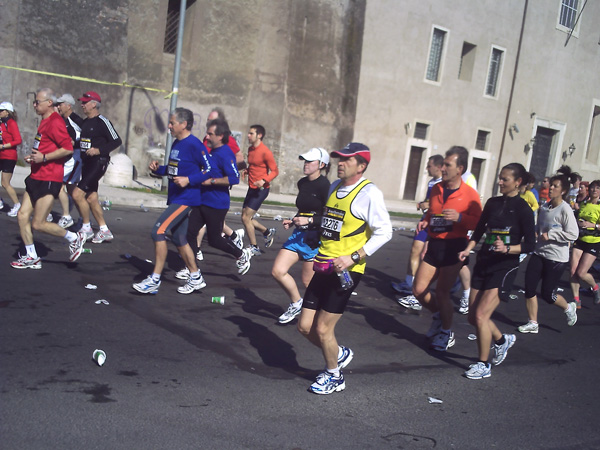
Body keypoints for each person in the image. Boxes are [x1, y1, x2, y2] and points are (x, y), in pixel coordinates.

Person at [297, 143, 392, 395]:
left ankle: (334, 375)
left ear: (361, 166)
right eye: (340, 158)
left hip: (347, 270)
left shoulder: (369, 193)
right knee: (304, 326)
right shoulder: (334, 187)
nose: (340, 162)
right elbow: (331, 224)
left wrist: (353, 257)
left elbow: (385, 232)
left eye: (347, 160)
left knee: (323, 328)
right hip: (323, 264)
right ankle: (339, 353)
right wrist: (309, 226)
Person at [458, 163, 535, 379]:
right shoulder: (492, 203)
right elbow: (479, 230)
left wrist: (508, 248)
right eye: (499, 178)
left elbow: (530, 244)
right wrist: (467, 250)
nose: (500, 182)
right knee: (473, 317)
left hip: (504, 267)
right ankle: (502, 340)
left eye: (505, 179)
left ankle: (483, 365)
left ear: (517, 182)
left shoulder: (523, 210)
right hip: (484, 262)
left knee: (482, 315)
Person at [133, 108, 212, 295]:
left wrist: (189, 180)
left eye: (172, 123)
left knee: (158, 231)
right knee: (178, 238)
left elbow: (210, 169)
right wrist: (159, 170)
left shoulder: (195, 144)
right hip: (176, 197)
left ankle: (154, 279)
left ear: (183, 124)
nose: (169, 126)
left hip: (187, 198)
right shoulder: (177, 143)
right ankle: (195, 276)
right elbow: (175, 169)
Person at [412, 146, 482, 352]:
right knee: (418, 290)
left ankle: (446, 331)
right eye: (442, 164)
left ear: (460, 168)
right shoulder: (436, 188)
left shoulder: (470, 194)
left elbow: (479, 224)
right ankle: (439, 316)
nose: (442, 168)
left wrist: (460, 218)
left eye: (447, 165)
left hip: (454, 246)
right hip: (435, 244)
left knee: (442, 292)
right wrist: (426, 221)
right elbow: (433, 213)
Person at [10, 88, 86, 269]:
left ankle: (74, 237)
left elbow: (67, 148)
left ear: (49, 103)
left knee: (38, 223)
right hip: (36, 175)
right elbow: (45, 147)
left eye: (38, 102)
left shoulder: (55, 122)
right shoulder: (44, 122)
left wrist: (44, 158)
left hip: (49, 178)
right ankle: (31, 257)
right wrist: (35, 157)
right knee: (22, 215)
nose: (35, 104)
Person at [181, 117, 252, 280]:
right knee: (189, 233)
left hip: (217, 204)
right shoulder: (209, 151)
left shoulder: (226, 153)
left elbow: (234, 178)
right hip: (201, 200)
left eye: (210, 134)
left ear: (220, 136)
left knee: (214, 240)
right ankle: (192, 269)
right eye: (206, 133)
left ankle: (241, 255)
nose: (206, 137)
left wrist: (212, 181)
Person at [274, 147, 331, 324]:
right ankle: (296, 302)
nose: (305, 164)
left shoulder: (326, 187)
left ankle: (323, 317)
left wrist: (309, 221)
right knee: (278, 271)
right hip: (298, 235)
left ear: (321, 165)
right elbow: (304, 209)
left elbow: (330, 218)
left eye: (309, 161)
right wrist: (293, 220)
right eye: (305, 161)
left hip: (315, 239)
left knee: (309, 283)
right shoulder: (303, 183)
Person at [518, 172, 579, 333]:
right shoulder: (545, 207)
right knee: (529, 287)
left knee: (548, 294)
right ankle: (533, 323)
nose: (550, 188)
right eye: (551, 184)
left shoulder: (565, 210)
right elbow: (539, 227)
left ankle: (568, 307)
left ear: (563, 191)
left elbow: (573, 234)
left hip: (556, 258)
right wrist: (534, 233)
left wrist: (551, 235)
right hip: (539, 253)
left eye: (555, 186)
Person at [393, 154, 443, 311]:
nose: (427, 168)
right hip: (426, 220)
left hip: (438, 224)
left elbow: (438, 204)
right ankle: (409, 284)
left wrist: (425, 204)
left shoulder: (443, 184)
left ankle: (421, 293)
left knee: (428, 258)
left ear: (438, 166)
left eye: (429, 165)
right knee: (415, 250)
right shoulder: (432, 182)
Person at [72, 91, 122, 243]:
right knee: (91, 197)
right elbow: (83, 142)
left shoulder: (103, 122)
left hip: (99, 162)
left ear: (94, 104)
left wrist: (99, 150)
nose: (82, 105)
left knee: (77, 194)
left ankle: (86, 228)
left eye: (85, 102)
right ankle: (104, 230)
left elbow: (116, 140)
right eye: (82, 102)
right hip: (87, 163)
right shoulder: (86, 122)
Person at [241, 124, 279, 255]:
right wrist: (246, 171)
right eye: (249, 133)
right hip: (252, 188)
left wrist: (264, 181)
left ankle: (254, 246)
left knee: (246, 218)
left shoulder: (265, 152)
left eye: (251, 133)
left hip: (261, 189)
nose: (248, 135)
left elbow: (275, 171)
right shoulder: (251, 149)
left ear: (259, 135)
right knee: (244, 217)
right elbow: (253, 165)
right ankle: (267, 232)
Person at [570, 179, 600, 308]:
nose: (594, 190)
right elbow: (576, 218)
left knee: (581, 273)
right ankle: (576, 300)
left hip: (593, 241)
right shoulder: (583, 203)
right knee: (572, 271)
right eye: (592, 187)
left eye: (597, 188)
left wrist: (592, 225)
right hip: (580, 239)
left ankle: (595, 287)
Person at [55, 94, 84, 228]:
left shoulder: (75, 119)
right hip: (69, 157)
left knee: (58, 184)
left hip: (75, 157)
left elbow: (86, 135)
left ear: (68, 105)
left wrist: (75, 141)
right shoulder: (63, 119)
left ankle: (67, 216)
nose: (58, 106)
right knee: (72, 190)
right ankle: (84, 220)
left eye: (60, 104)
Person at [0, 101, 23, 217]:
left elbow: (18, 140)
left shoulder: (11, 123)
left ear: (7, 112)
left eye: (1, 111)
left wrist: (4, 146)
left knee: (5, 183)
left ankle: (17, 205)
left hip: (9, 156)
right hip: (1, 155)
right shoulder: (2, 124)